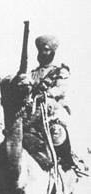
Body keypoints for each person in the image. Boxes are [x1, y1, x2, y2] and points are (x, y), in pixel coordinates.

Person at [28, 35, 86, 173]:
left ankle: (68, 163)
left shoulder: (60, 71)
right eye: (41, 50)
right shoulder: (33, 73)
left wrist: (48, 94)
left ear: (53, 52)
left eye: (46, 50)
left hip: (53, 109)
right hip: (34, 111)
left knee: (58, 131)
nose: (43, 53)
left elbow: (61, 88)